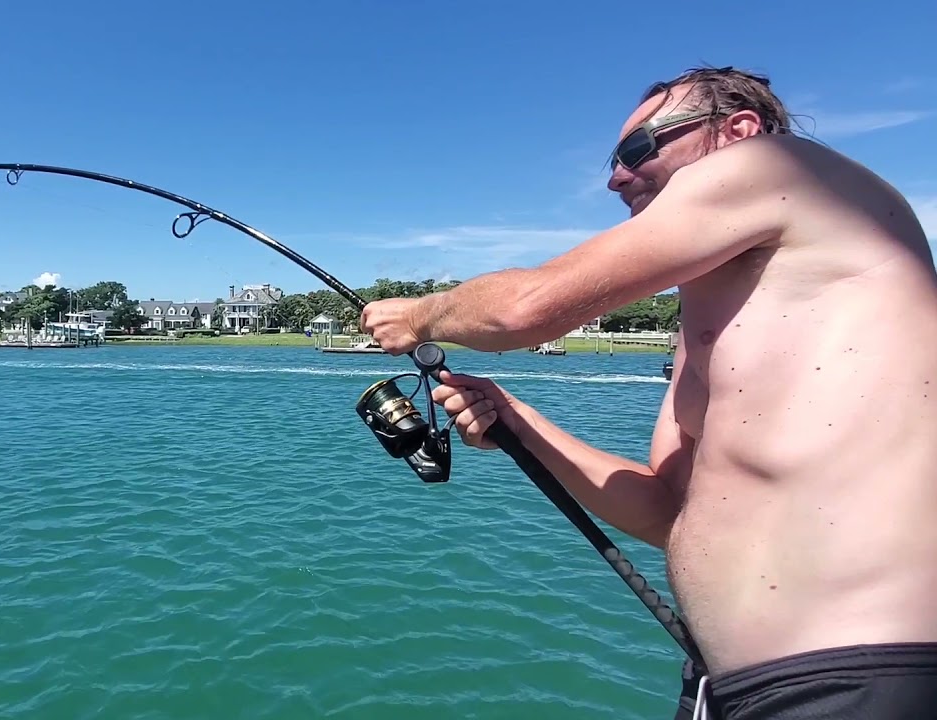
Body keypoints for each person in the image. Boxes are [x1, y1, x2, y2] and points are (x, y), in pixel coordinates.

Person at [359, 65, 937, 719]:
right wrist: (516, 419)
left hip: (854, 677)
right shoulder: (707, 326)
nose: (615, 178)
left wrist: (422, 312)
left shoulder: (777, 164)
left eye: (638, 149)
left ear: (736, 131)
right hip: (727, 686)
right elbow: (668, 512)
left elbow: (526, 308)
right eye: (613, 160)